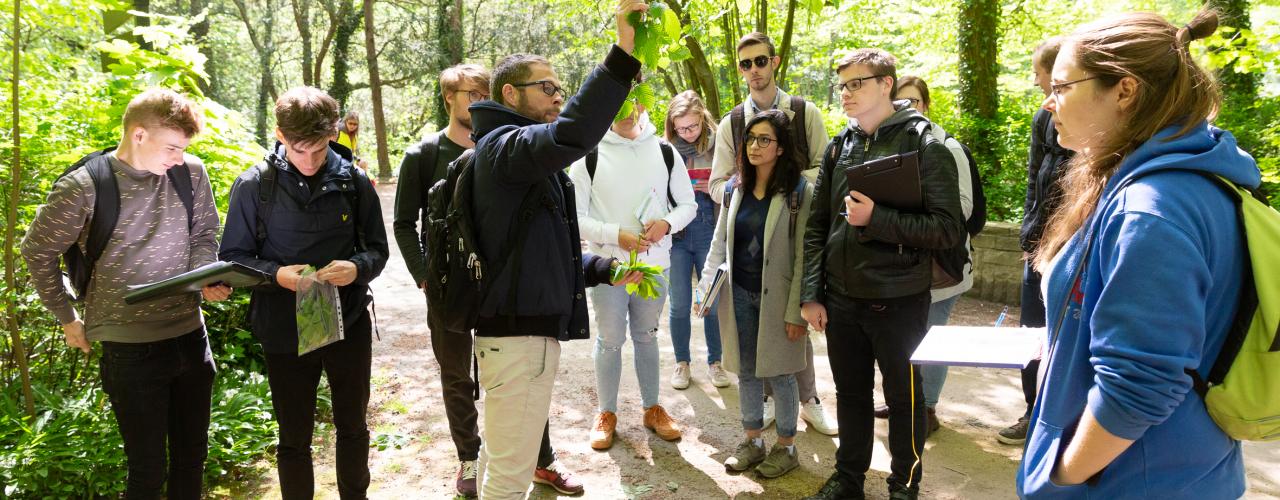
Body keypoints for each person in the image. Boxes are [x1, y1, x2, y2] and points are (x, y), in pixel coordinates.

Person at [1017, 10, 1254, 498]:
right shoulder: (1191, 178)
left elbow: (1139, 387)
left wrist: (1062, 477)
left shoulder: (1150, 208)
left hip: (1134, 481)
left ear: (1124, 91)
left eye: (1061, 87)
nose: (1047, 104)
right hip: (1184, 468)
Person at [465, 1, 646, 497]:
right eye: (547, 87)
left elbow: (536, 252)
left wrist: (602, 268)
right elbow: (573, 135)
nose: (557, 96)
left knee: (500, 458)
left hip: (517, 335)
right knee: (510, 474)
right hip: (519, 340)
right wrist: (622, 54)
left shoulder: (515, 160)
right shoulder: (505, 148)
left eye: (560, 89)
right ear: (509, 93)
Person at [21, 88, 227, 499]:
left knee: (192, 459)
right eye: (171, 148)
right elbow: (37, 252)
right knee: (147, 472)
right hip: (128, 347)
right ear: (137, 135)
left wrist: (203, 277)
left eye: (184, 149)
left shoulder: (190, 173)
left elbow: (204, 233)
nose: (178, 158)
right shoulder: (83, 187)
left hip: (190, 336)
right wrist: (67, 317)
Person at [391, 63, 583, 498]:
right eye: (469, 93)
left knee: (519, 380)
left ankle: (540, 457)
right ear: (449, 98)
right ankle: (468, 459)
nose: (479, 100)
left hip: (500, 289)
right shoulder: (424, 155)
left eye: (484, 92)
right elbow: (404, 223)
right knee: (458, 375)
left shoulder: (504, 149)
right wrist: (426, 277)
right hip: (451, 289)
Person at [800, 48, 964, 500]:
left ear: (886, 84)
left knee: (904, 401)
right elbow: (818, 227)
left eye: (857, 83)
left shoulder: (926, 144)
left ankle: (904, 485)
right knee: (851, 396)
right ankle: (849, 479)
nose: (846, 94)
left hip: (900, 302)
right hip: (842, 302)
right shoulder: (840, 145)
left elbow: (949, 229)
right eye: (843, 86)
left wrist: (877, 219)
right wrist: (812, 293)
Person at [219, 86, 389, 499]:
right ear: (279, 134)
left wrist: (357, 267)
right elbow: (234, 259)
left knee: (353, 425)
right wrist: (277, 275)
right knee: (293, 434)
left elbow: (379, 251)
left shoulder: (354, 181)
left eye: (318, 149)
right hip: (283, 325)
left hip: (346, 319)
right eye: (299, 151)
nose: (310, 161)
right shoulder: (254, 185)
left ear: (333, 132)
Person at [709, 31, 837, 437]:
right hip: (747, 234)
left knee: (791, 329)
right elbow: (717, 185)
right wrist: (745, 184)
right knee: (752, 339)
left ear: (775, 61)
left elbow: (828, 170)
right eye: (745, 64)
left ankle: (809, 400)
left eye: (760, 61)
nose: (753, 71)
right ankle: (765, 408)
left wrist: (785, 184)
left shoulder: (804, 111)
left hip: (795, 225)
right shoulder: (732, 122)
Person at [570, 102, 697, 450]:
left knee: (646, 336)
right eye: (617, 99)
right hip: (609, 269)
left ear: (643, 101)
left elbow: (688, 205)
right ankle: (606, 413)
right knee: (610, 340)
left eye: (632, 98)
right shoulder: (590, 155)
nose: (626, 107)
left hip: (656, 265)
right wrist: (615, 234)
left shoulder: (665, 152)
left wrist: (666, 224)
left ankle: (652, 408)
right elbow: (574, 217)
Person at [700, 109, 813, 479]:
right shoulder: (736, 188)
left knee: (781, 375)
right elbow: (719, 243)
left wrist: (798, 311)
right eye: (750, 138)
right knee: (746, 371)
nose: (755, 146)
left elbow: (804, 256)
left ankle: (786, 447)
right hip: (740, 295)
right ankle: (752, 440)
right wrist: (705, 289)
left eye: (765, 139)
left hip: (779, 301)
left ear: (781, 148)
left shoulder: (799, 192)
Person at [869, 76, 975, 438]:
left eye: (914, 101)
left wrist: (906, 214)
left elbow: (962, 209)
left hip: (941, 266)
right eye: (901, 101)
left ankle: (927, 407)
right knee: (904, 336)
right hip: (904, 266)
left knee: (933, 336)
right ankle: (905, 401)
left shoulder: (947, 147)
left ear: (926, 105)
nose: (908, 108)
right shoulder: (889, 148)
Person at [1003, 36, 1073, 446]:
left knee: (1066, 338)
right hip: (1038, 248)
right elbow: (1034, 182)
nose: (1034, 82)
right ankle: (1032, 412)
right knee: (1032, 334)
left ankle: (1062, 419)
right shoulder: (1041, 119)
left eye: (1038, 74)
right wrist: (1029, 235)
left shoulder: (1093, 130)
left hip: (1071, 247)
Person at [664, 90, 730, 390]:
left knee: (710, 301)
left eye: (693, 127)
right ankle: (682, 363)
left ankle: (716, 362)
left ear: (703, 118)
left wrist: (714, 187)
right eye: (681, 129)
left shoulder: (720, 144)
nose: (688, 134)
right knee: (678, 304)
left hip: (710, 227)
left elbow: (736, 182)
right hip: (677, 234)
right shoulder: (665, 149)